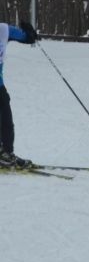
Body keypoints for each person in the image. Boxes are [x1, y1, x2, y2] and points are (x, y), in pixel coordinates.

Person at [0, 21, 38, 169]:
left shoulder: (3, 30)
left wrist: (30, 33)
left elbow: (27, 38)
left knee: (5, 120)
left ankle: (6, 154)